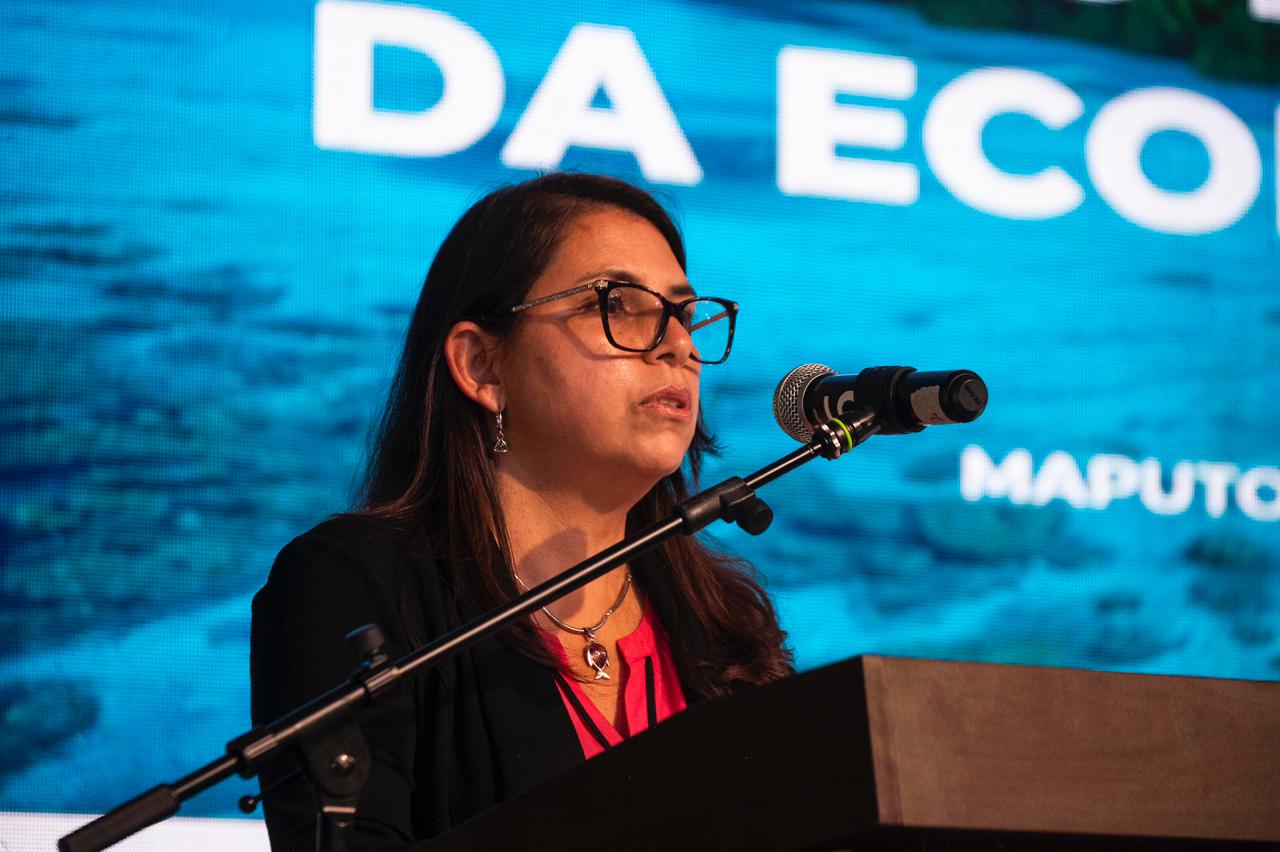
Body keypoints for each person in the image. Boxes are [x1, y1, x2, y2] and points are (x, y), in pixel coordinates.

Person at [250, 172, 793, 850]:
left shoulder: (727, 628)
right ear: (482, 365)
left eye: (682, 314)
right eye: (619, 305)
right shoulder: (351, 588)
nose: (678, 345)